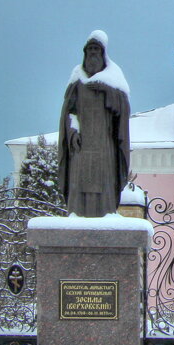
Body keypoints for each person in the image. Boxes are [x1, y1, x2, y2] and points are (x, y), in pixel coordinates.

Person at [57, 30, 131, 216]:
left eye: (96, 50)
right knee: (78, 188)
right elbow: (68, 113)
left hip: (104, 147)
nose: (92, 54)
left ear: (103, 53)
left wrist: (107, 91)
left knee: (104, 186)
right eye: (89, 49)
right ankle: (77, 215)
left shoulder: (114, 78)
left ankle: (105, 216)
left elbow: (123, 110)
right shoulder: (77, 81)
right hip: (81, 148)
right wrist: (72, 133)